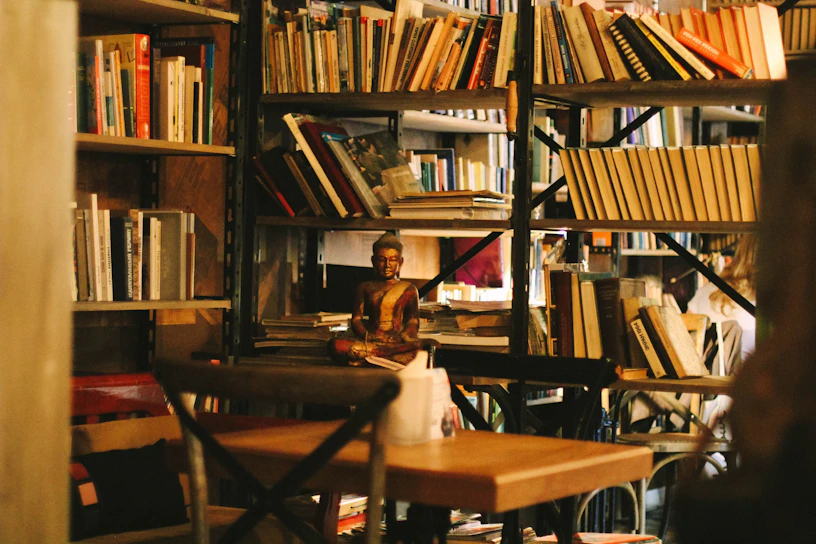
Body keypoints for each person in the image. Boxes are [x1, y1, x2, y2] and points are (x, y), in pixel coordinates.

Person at [328, 233, 423, 365]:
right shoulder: (365, 287)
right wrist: (368, 336)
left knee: (424, 349)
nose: (387, 265)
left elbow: (412, 320)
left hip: (397, 342)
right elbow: (356, 319)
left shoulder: (408, 288)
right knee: (336, 345)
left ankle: (371, 359)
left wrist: (402, 337)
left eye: (393, 259)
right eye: (381, 259)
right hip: (372, 341)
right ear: (373, 261)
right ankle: (386, 357)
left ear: (400, 262)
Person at [687, 234, 757, 363]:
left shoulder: (705, 291)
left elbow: (683, 339)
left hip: (702, 377)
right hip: (744, 379)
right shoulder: (761, 300)